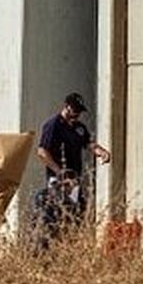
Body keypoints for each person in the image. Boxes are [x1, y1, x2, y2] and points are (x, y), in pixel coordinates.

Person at [35, 92, 110, 236]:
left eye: (79, 111)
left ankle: (71, 243)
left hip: (75, 179)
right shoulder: (54, 125)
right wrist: (58, 171)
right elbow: (42, 151)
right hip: (59, 180)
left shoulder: (79, 127)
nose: (77, 114)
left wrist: (101, 152)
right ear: (67, 107)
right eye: (75, 110)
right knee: (58, 214)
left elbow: (88, 143)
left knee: (76, 214)